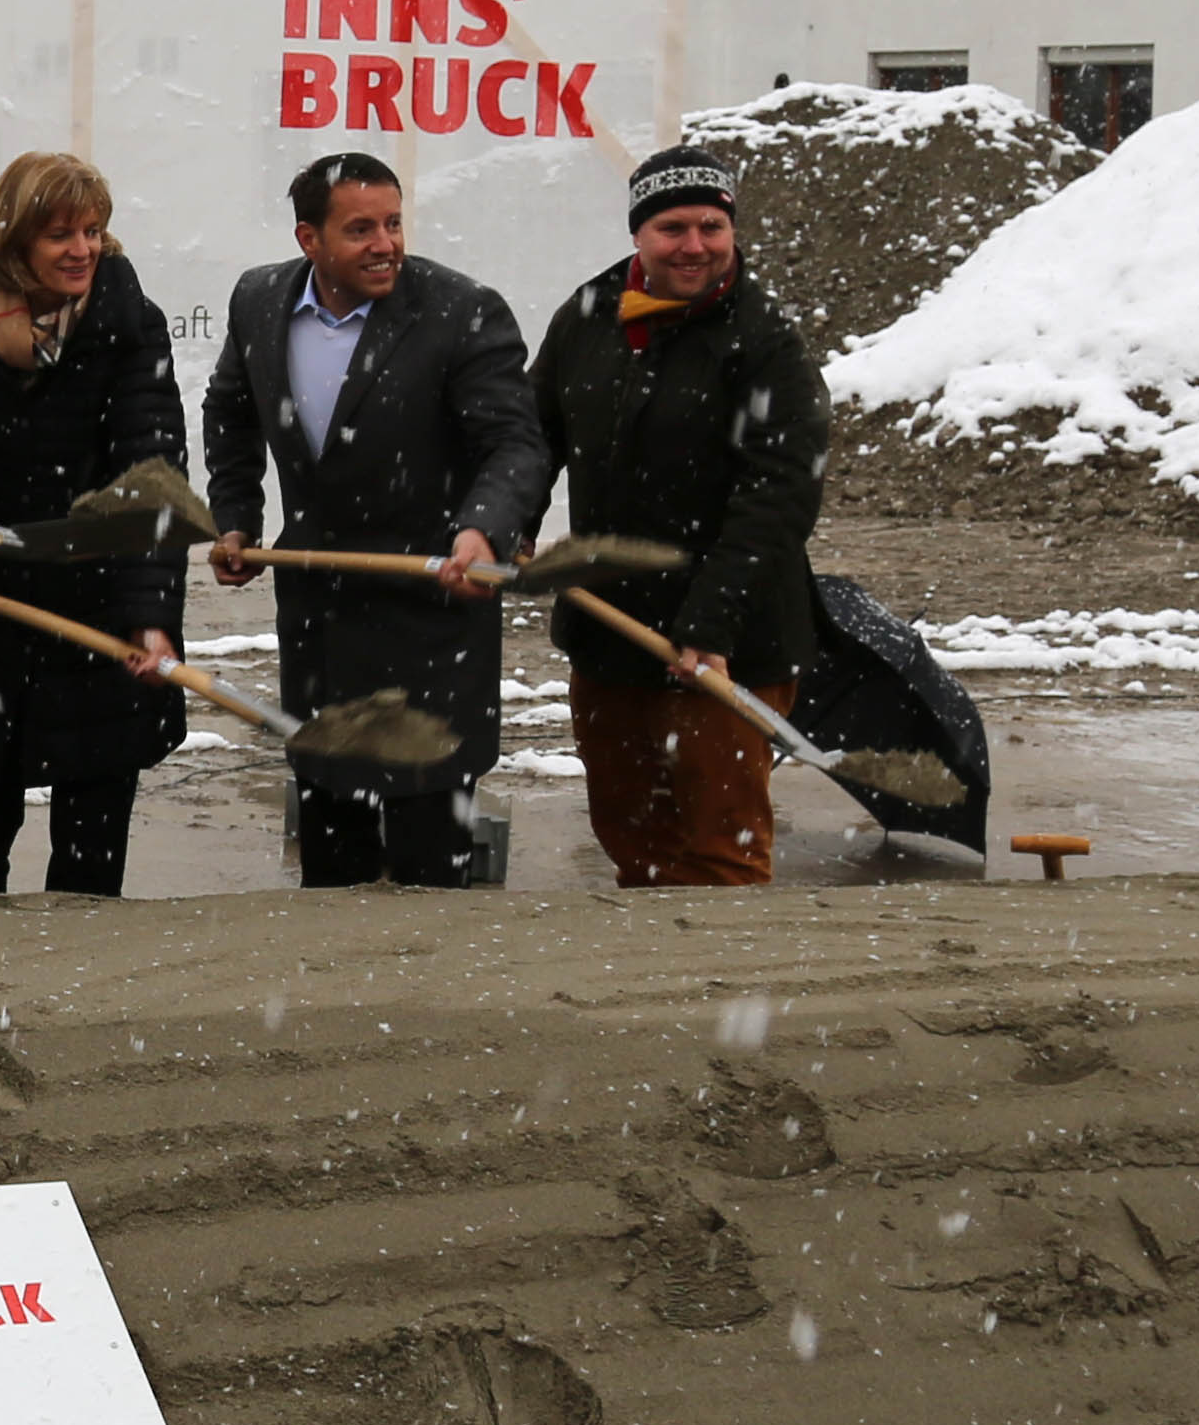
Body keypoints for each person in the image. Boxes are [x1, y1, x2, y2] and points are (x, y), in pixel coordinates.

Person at [201, 151, 551, 887]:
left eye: (393, 223)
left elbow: (513, 443)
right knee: (334, 864)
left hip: (433, 613)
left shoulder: (460, 311)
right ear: (309, 240)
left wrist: (481, 527)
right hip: (321, 616)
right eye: (360, 228)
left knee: (429, 873)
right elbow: (229, 410)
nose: (386, 243)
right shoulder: (259, 301)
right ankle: (336, 999)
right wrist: (236, 515)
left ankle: (427, 998)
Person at [529, 142, 830, 887]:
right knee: (635, 843)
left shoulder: (764, 342)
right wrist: (503, 525)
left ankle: (722, 997)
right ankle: (652, 989)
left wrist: (710, 625)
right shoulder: (591, 314)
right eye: (672, 228)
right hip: (612, 630)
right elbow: (533, 437)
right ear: (638, 233)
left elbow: (778, 498)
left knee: (719, 852)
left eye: (711, 226)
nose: (694, 245)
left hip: (730, 644)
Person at [0, 153, 188, 897]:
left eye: (93, 231)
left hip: (100, 606)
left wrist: (151, 618)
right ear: (16, 240)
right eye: (60, 234)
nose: (82, 249)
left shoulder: (127, 323)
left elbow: (150, 482)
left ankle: (72, 995)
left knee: (89, 858)